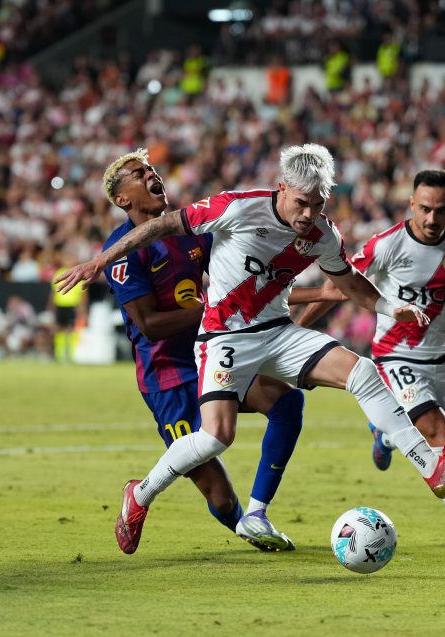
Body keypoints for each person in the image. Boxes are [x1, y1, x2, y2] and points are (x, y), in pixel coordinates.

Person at [56, 143, 445, 555]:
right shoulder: (236, 206)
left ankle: (431, 465)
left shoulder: (322, 233)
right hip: (222, 339)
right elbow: (165, 226)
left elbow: (348, 282)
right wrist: (98, 261)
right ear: (282, 188)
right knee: (215, 438)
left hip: (278, 333)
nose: (309, 214)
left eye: (318, 204)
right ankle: (141, 493)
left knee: (361, 372)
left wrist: (392, 307)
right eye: (301, 203)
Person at [99, 149, 307, 551]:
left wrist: (312, 287)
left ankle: (256, 518)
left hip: (209, 353)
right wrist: (212, 308)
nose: (150, 176)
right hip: (167, 378)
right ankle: (141, 494)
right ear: (122, 199)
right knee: (219, 495)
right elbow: (150, 325)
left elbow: (244, 280)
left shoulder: (192, 230)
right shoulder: (124, 252)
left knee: (286, 403)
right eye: (138, 174)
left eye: (151, 170)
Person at [297, 169, 445, 547]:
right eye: (424, 208)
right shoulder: (387, 245)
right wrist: (297, 329)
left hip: (444, 359)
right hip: (396, 358)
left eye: (440, 210)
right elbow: (338, 287)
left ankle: (388, 436)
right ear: (411, 204)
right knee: (441, 440)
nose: (431, 218)